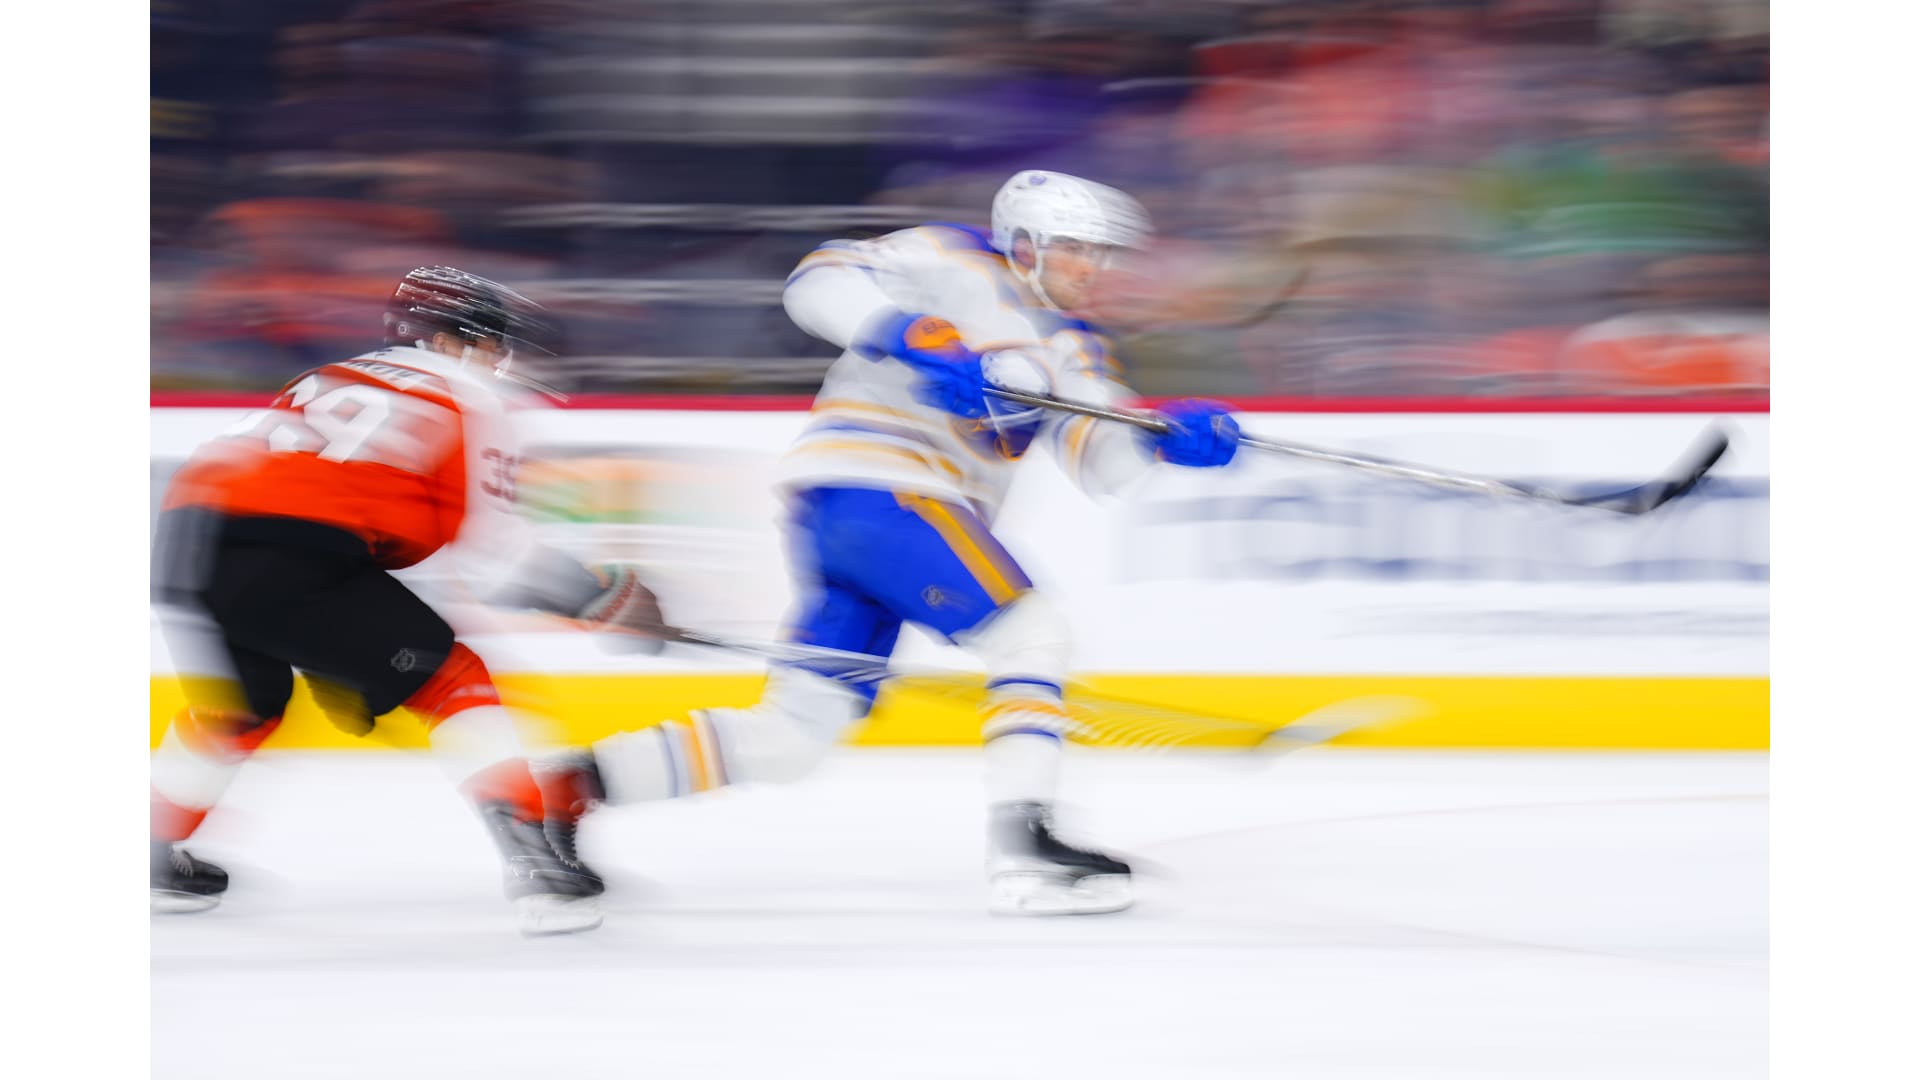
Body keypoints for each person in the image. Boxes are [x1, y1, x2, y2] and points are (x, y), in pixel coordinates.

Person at [535, 171, 1241, 915]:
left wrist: (1169, 438)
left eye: (1101, 253)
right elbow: (817, 281)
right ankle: (1028, 854)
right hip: (884, 493)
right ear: (1025, 242)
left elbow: (1105, 462)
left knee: (796, 734)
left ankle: (555, 792)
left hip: (861, 518)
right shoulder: (956, 259)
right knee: (1030, 634)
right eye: (1073, 247)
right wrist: (917, 337)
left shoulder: (1073, 347)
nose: (1091, 267)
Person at [149, 266, 665, 936]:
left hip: (192, 539)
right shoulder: (468, 397)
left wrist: (337, 642)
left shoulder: (330, 375)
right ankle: (537, 862)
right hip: (299, 547)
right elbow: (493, 553)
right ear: (450, 342)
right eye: (490, 343)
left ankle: (150, 854)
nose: (497, 359)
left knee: (243, 707)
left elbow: (327, 511)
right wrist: (602, 596)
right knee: (457, 681)